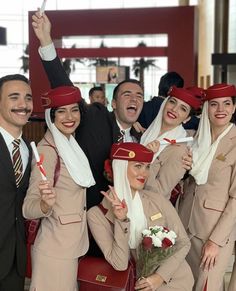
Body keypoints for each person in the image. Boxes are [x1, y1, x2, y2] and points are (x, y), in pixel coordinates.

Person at [31, 11, 144, 209]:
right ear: (113, 103)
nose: (134, 98)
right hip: (88, 215)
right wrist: (46, 40)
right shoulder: (95, 117)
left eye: (139, 96)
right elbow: (64, 86)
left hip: (123, 219)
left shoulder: (140, 136)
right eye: (127, 94)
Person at [87, 142, 194, 291]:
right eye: (138, 166)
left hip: (175, 282)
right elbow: (120, 263)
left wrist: (160, 277)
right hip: (137, 285)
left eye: (147, 167)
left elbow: (183, 242)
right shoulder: (96, 215)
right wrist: (121, 220)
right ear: (120, 168)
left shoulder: (157, 199)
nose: (144, 173)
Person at [22, 86, 95, 291]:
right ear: (51, 116)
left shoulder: (70, 145)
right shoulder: (48, 151)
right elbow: (28, 207)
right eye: (61, 111)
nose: (69, 117)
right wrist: (44, 205)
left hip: (70, 244)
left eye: (74, 109)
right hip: (55, 248)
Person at [178, 83, 236, 291]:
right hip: (186, 226)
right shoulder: (197, 138)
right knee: (185, 284)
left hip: (211, 232)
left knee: (207, 286)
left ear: (234, 108)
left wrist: (216, 241)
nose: (221, 110)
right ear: (206, 109)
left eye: (226, 104)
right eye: (214, 104)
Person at [0, 74, 33, 291]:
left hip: (14, 258)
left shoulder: (31, 150)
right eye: (14, 97)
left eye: (28, 98)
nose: (23, 104)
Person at [141, 85, 201, 201]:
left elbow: (161, 192)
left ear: (187, 119)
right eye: (172, 102)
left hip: (148, 207)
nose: (174, 109)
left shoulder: (180, 150)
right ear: (164, 104)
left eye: (183, 109)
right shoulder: (147, 133)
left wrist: (146, 160)